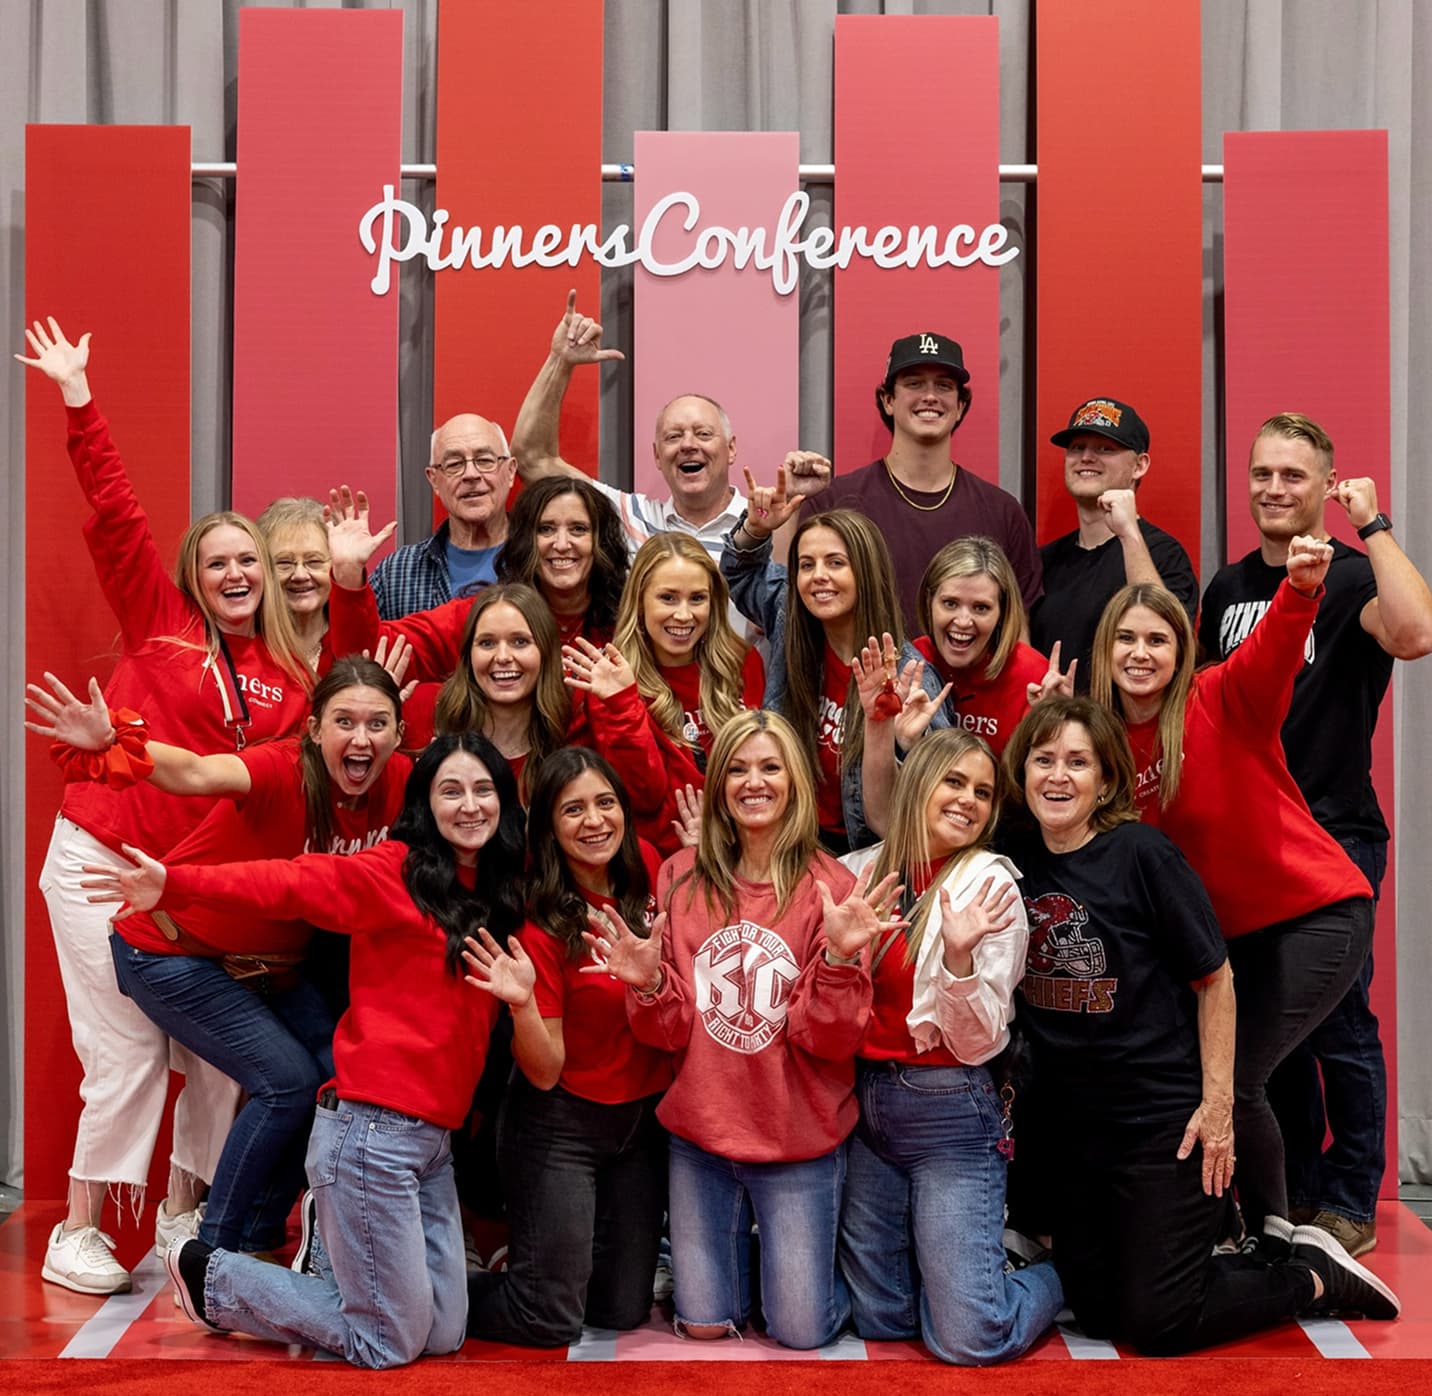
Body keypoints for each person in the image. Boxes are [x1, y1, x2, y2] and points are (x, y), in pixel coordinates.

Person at [16, 315, 311, 1294]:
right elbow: (118, 514)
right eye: (217, 560)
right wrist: (79, 399)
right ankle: (79, 1228)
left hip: (188, 891)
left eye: (248, 560)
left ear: (269, 573)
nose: (235, 573)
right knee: (129, 1051)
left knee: (221, 1058)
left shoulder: (291, 680)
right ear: (195, 573)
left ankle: (185, 1211)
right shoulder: (161, 622)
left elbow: (273, 786)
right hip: (99, 862)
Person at [84, 733, 527, 1369]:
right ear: (425, 804)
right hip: (371, 1134)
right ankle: (213, 1276)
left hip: (433, 1142)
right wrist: (176, 884)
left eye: (483, 789)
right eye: (450, 791)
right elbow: (288, 883)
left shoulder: (497, 888)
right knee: (388, 1342)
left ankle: (330, 1258)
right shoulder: (394, 870)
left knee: (443, 1333)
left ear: (504, 800)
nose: (469, 805)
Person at [998, 696, 1398, 1353]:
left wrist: (1216, 1109)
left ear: (1107, 779)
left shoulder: (1142, 854)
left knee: (1159, 1324)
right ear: (1023, 771)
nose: (1058, 776)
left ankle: (1312, 1276)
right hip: (1079, 1136)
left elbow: (1216, 980)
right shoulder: (1014, 852)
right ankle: (1213, 1261)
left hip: (1160, 1124)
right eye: (1044, 760)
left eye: (1078, 762)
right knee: (1095, 1309)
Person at [27, 659, 409, 1256]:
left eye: (377, 724)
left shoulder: (401, 781)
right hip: (171, 951)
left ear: (399, 733)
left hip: (265, 967)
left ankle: (257, 1235)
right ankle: (211, 1252)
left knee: (341, 1073)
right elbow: (198, 771)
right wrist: (115, 744)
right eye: (344, 722)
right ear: (313, 729)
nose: (361, 739)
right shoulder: (284, 767)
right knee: (286, 1082)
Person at [1088, 542, 1375, 1245]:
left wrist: (1299, 592)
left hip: (1315, 913)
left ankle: (1275, 1244)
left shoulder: (1219, 697)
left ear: (1181, 650)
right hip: (1232, 940)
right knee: (1206, 1075)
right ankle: (1228, 1227)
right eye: (1126, 639)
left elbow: (1273, 653)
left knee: (1236, 1081)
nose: (1140, 653)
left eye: (1158, 640)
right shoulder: (1103, 745)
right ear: (1105, 651)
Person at [587, 710, 900, 1350]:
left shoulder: (834, 888)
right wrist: (648, 984)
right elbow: (668, 1033)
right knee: (703, 1324)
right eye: (737, 769)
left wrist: (840, 960)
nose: (753, 782)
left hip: (797, 1141)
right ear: (720, 785)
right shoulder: (679, 876)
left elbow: (828, 1041)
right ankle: (767, 1262)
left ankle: (813, 1273)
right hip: (702, 1138)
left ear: (795, 782)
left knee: (800, 1332)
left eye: (770, 767)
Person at [1198, 412, 1432, 1257]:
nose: (1273, 488)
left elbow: (1416, 634)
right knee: (1272, 1032)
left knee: (1341, 1026)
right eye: (1262, 472)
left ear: (1325, 486)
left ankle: (1350, 1200)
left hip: (1333, 834)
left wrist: (1372, 524)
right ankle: (1290, 1192)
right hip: (1251, 842)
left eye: (1293, 475)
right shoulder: (1228, 587)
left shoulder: (1353, 577)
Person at [837, 728, 1064, 1364]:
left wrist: (959, 961)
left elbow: (978, 1041)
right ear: (918, 783)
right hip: (863, 1108)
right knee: (882, 1319)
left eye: (983, 793)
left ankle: (1066, 1271)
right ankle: (971, 1271)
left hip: (951, 1111)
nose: (969, 800)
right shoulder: (855, 872)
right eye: (954, 782)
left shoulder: (991, 884)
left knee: (971, 1338)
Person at [463, 748, 670, 1346]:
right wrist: (522, 1004)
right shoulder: (539, 919)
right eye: (573, 810)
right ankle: (436, 1291)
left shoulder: (649, 867)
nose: (595, 820)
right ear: (549, 828)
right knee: (548, 1318)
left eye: (605, 803)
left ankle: (541, 1266)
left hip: (641, 1122)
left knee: (620, 1311)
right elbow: (545, 1072)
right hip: (561, 1121)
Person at [510, 290, 831, 569]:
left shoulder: (761, 519)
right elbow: (533, 459)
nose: (688, 445)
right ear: (657, 456)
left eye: (703, 434)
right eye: (673, 437)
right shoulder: (629, 517)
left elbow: (779, 602)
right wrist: (560, 362)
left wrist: (792, 500)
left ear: (731, 448)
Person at [797, 332, 1041, 632]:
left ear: (960, 405)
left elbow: (1018, 629)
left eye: (944, 386)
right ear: (888, 400)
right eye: (914, 384)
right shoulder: (835, 501)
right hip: (861, 664)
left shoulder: (1002, 511)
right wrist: (787, 505)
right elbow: (787, 602)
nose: (930, 396)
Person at [722, 498, 904, 851]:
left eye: (835, 563)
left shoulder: (906, 673)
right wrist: (756, 528)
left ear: (866, 572)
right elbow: (740, 574)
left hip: (863, 852)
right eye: (807, 565)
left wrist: (910, 740)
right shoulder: (790, 617)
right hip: (786, 840)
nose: (819, 575)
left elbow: (921, 806)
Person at [1029, 397, 1197, 688]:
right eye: (1077, 447)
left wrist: (1129, 534)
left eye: (1105, 448)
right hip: (1053, 716)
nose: (1086, 457)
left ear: (1139, 465)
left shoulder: (1164, 554)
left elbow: (1168, 641)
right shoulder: (1044, 560)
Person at [425, 583, 570, 795]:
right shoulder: (428, 714)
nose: (502, 657)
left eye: (519, 642)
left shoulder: (575, 728)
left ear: (545, 651)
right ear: (468, 654)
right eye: (487, 643)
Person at [368, 413, 517, 619]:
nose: (471, 474)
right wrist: (347, 575)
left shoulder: (543, 559)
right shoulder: (396, 573)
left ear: (510, 471)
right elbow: (355, 639)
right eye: (454, 464)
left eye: (484, 460)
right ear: (434, 480)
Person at [257, 496, 333, 671]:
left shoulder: (356, 643)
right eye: (284, 563)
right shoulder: (247, 646)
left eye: (314, 562)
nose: (300, 575)